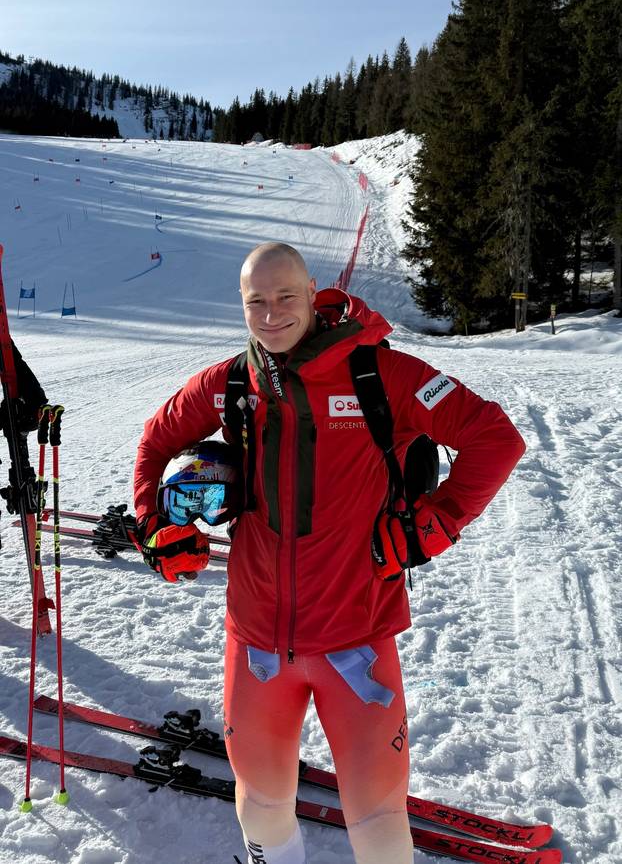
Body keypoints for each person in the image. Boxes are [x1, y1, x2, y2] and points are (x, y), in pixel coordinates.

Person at [133, 242, 526, 864]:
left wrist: (435, 526)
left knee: (374, 814)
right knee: (261, 798)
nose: (271, 314)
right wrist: (157, 524)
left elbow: (496, 437)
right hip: (258, 642)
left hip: (357, 642)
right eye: (254, 301)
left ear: (312, 292)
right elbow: (155, 442)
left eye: (285, 296)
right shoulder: (232, 382)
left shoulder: (379, 375)